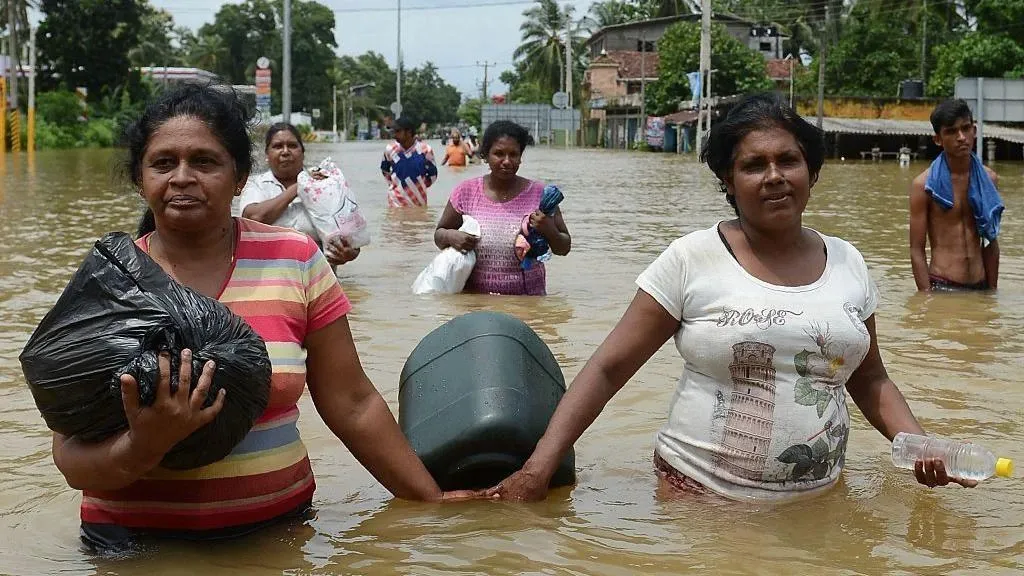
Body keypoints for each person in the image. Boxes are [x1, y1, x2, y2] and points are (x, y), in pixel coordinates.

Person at [485, 93, 974, 502]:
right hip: (697, 497)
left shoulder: (850, 262)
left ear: (812, 171)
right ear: (728, 182)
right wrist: (538, 468)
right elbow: (609, 368)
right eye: (753, 165)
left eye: (788, 160)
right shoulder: (691, 258)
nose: (775, 175)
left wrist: (918, 443)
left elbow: (870, 379)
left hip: (819, 502)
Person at [55, 85, 474, 550]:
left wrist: (431, 503)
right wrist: (145, 445)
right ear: (140, 178)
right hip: (132, 547)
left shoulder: (295, 258)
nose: (182, 177)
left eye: (205, 162)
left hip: (278, 540)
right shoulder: (107, 282)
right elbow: (69, 458)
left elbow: (352, 403)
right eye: (163, 163)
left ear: (240, 177)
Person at [434, 120, 571, 296]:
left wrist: (549, 230)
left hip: (528, 303)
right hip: (475, 305)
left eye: (513, 154)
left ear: (521, 156)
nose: (506, 161)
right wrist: (451, 236)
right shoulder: (465, 192)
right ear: (485, 155)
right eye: (499, 153)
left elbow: (564, 248)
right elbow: (439, 236)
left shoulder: (540, 195)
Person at [910, 99, 1002, 292]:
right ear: (938, 139)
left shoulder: (988, 179)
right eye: (951, 131)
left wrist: (992, 292)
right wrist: (926, 297)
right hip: (942, 284)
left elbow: (990, 239)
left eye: (966, 128)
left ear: (974, 131)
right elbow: (916, 249)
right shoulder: (924, 186)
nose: (961, 137)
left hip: (980, 284)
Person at [238, 123, 359, 268]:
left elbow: (354, 237)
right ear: (267, 155)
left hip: (319, 279)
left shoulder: (325, 183)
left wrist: (349, 253)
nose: (285, 152)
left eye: (292, 145)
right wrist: (300, 186)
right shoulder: (256, 185)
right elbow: (253, 219)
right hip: (269, 278)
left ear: (302, 152)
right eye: (277, 146)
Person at [381, 117, 438, 207]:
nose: (394, 135)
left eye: (398, 131)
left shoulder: (425, 150)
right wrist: (394, 184)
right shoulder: (390, 149)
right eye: (394, 131)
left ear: (409, 132)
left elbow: (433, 175)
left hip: (419, 200)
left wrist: (420, 185)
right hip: (395, 201)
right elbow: (384, 169)